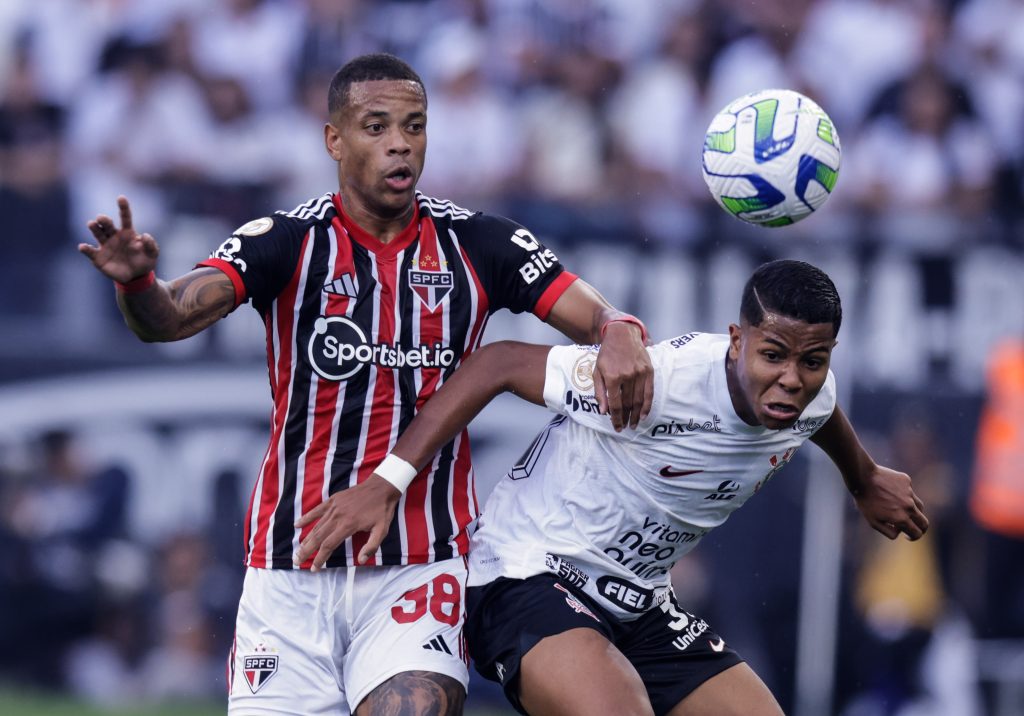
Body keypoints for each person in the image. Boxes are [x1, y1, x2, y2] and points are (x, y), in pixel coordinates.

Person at [77, 53, 653, 715]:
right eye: (376, 126)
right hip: (290, 572)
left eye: (414, 125)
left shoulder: (481, 242)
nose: (400, 143)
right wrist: (137, 283)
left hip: (420, 565)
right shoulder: (285, 241)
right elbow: (171, 320)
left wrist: (619, 328)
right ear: (334, 139)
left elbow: (595, 314)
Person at [299, 259, 930, 715]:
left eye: (812, 361)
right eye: (773, 355)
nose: (792, 379)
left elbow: (825, 419)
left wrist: (864, 476)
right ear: (736, 342)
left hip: (640, 604)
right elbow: (497, 364)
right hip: (527, 576)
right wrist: (390, 480)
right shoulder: (658, 382)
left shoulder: (814, 399)